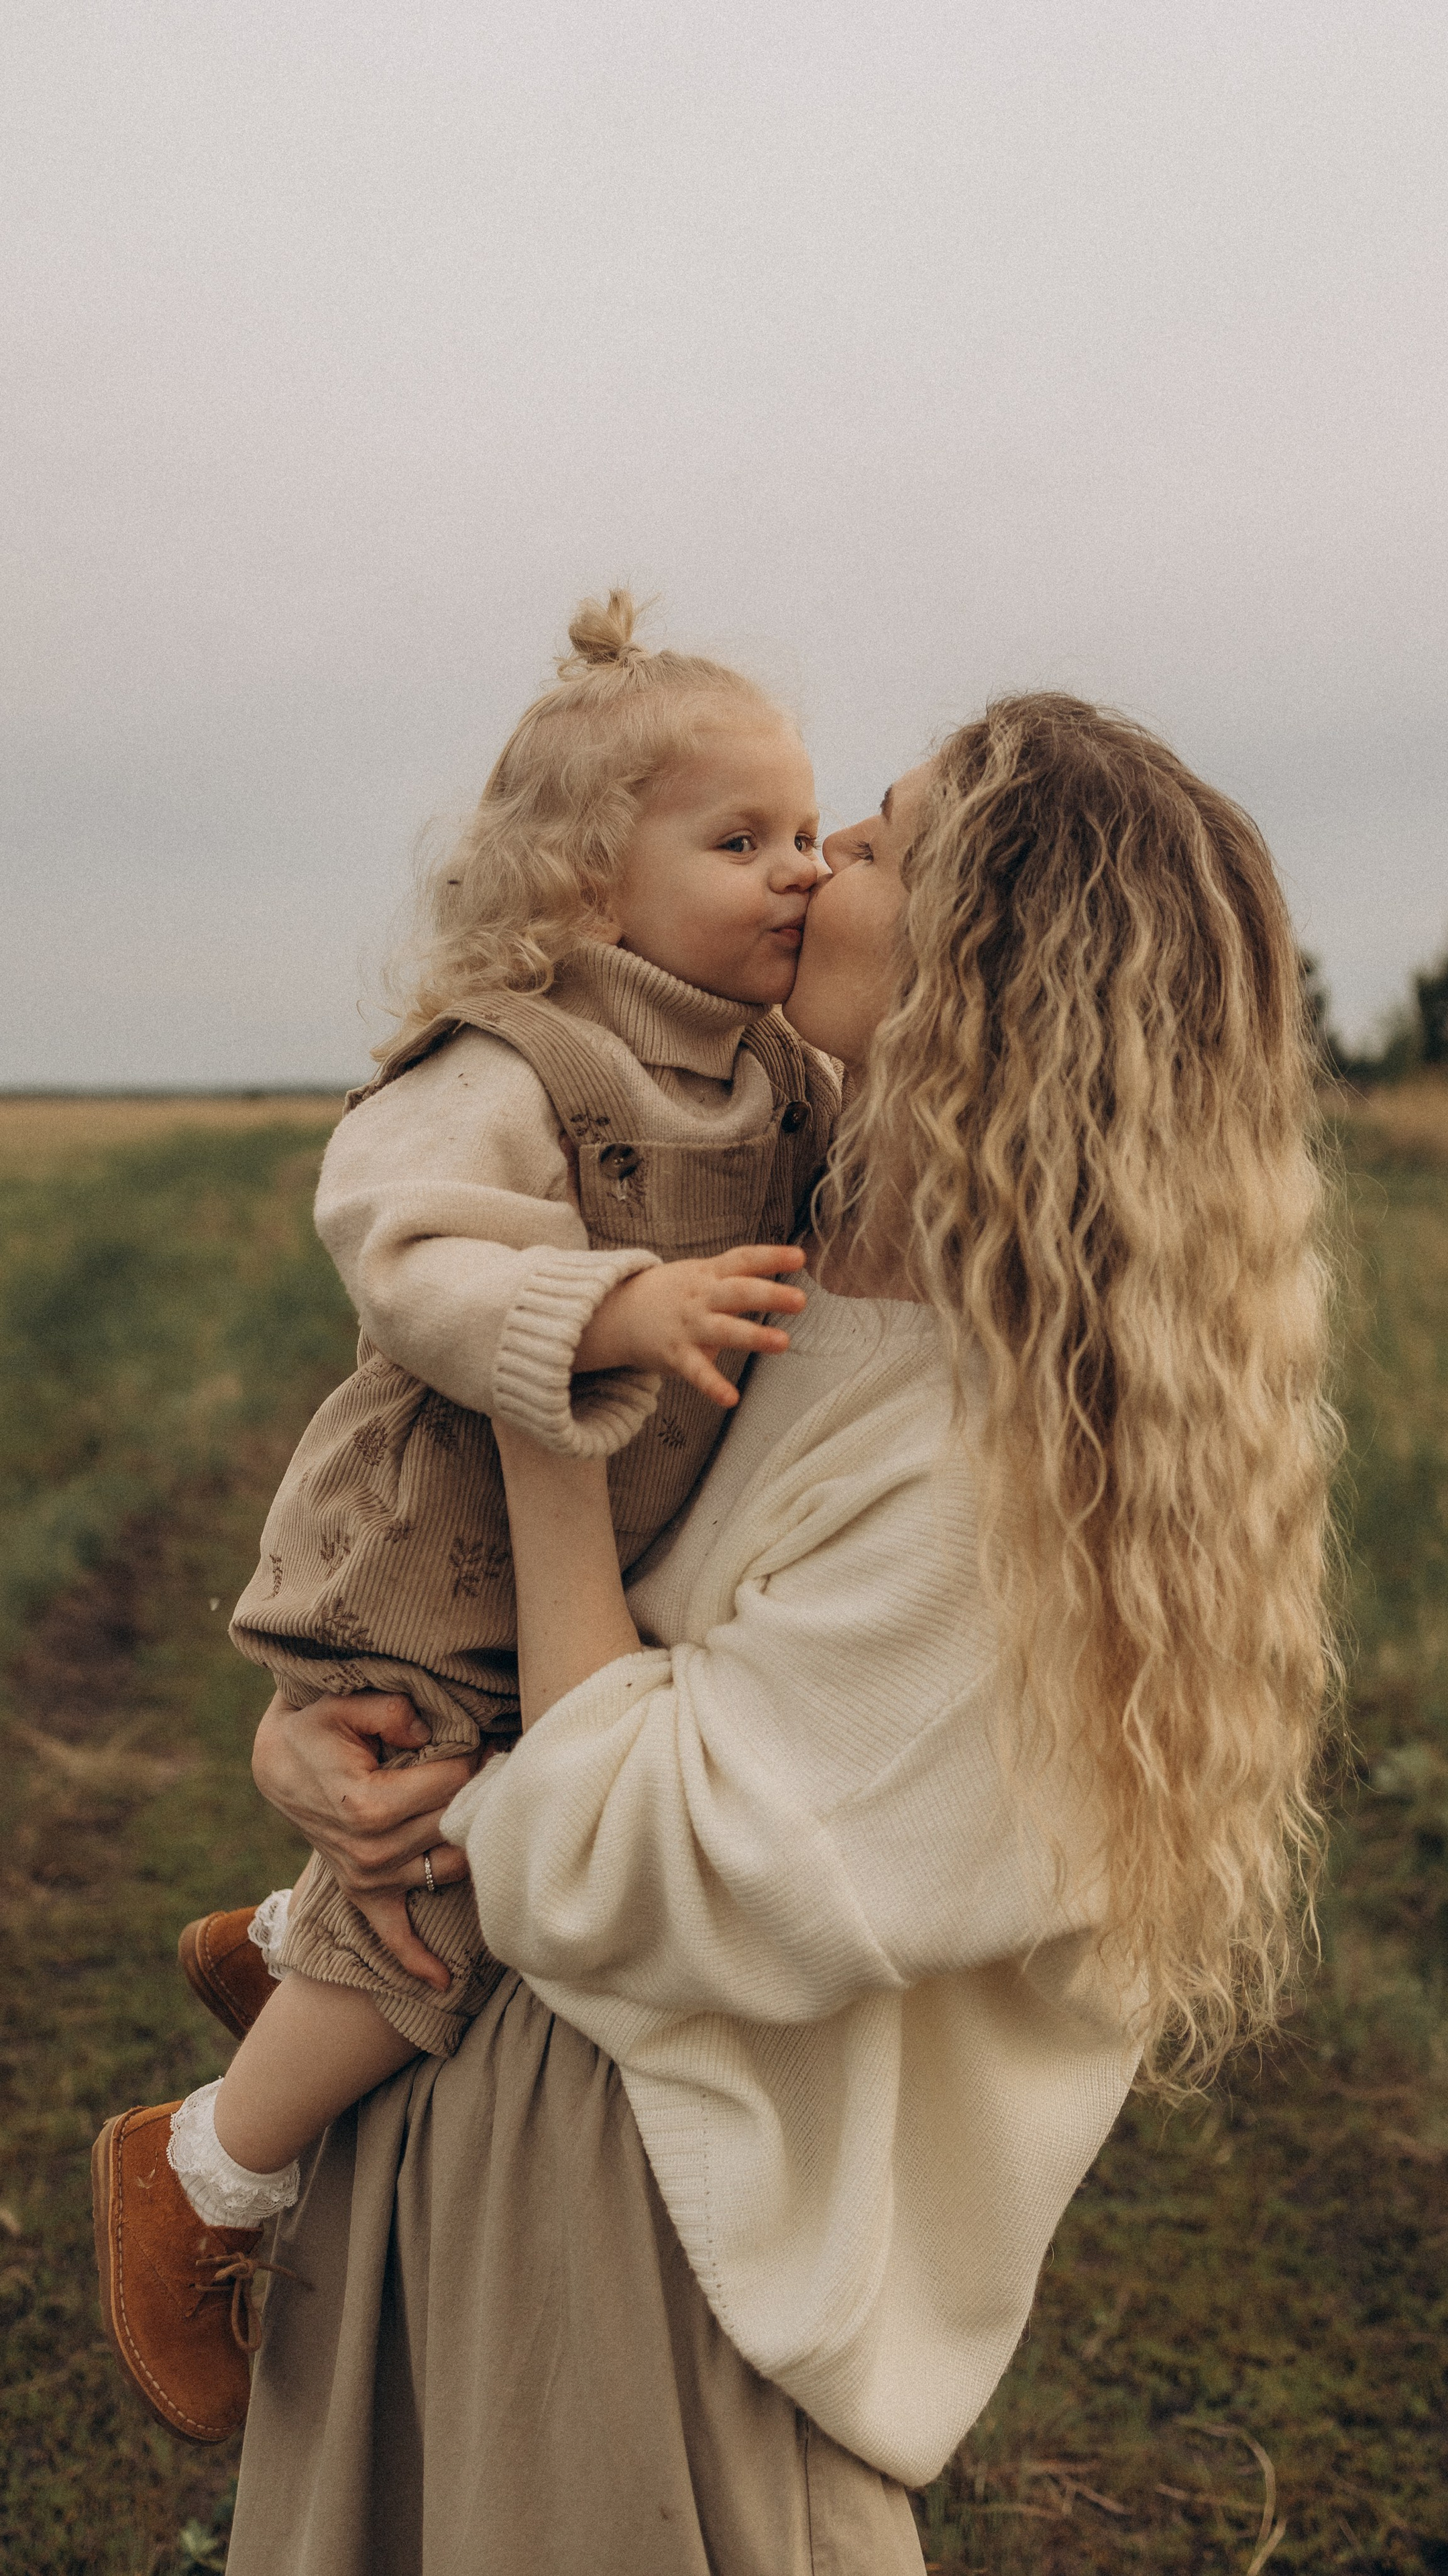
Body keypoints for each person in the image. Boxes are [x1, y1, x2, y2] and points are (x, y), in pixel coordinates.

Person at [211, 690, 1337, 2576]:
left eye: (881, 842)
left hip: (655, 2268)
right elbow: (551, 1669)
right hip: (478, 2143)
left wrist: (543, 1385)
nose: (820, 869)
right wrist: (327, 1744)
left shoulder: (1013, 1481)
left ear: (993, 961)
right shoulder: (804, 1257)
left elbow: (618, 1866)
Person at [90, 590, 840, 2443]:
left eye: (808, 834)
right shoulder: (516, 1062)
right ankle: (203, 2171)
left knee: (510, 1821)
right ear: (590, 881)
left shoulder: (781, 1081)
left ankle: (275, 1953)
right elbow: (394, 1240)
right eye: (738, 841)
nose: (799, 876)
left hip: (582, 1548)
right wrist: (599, 1304)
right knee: (446, 1880)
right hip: (436, 1543)